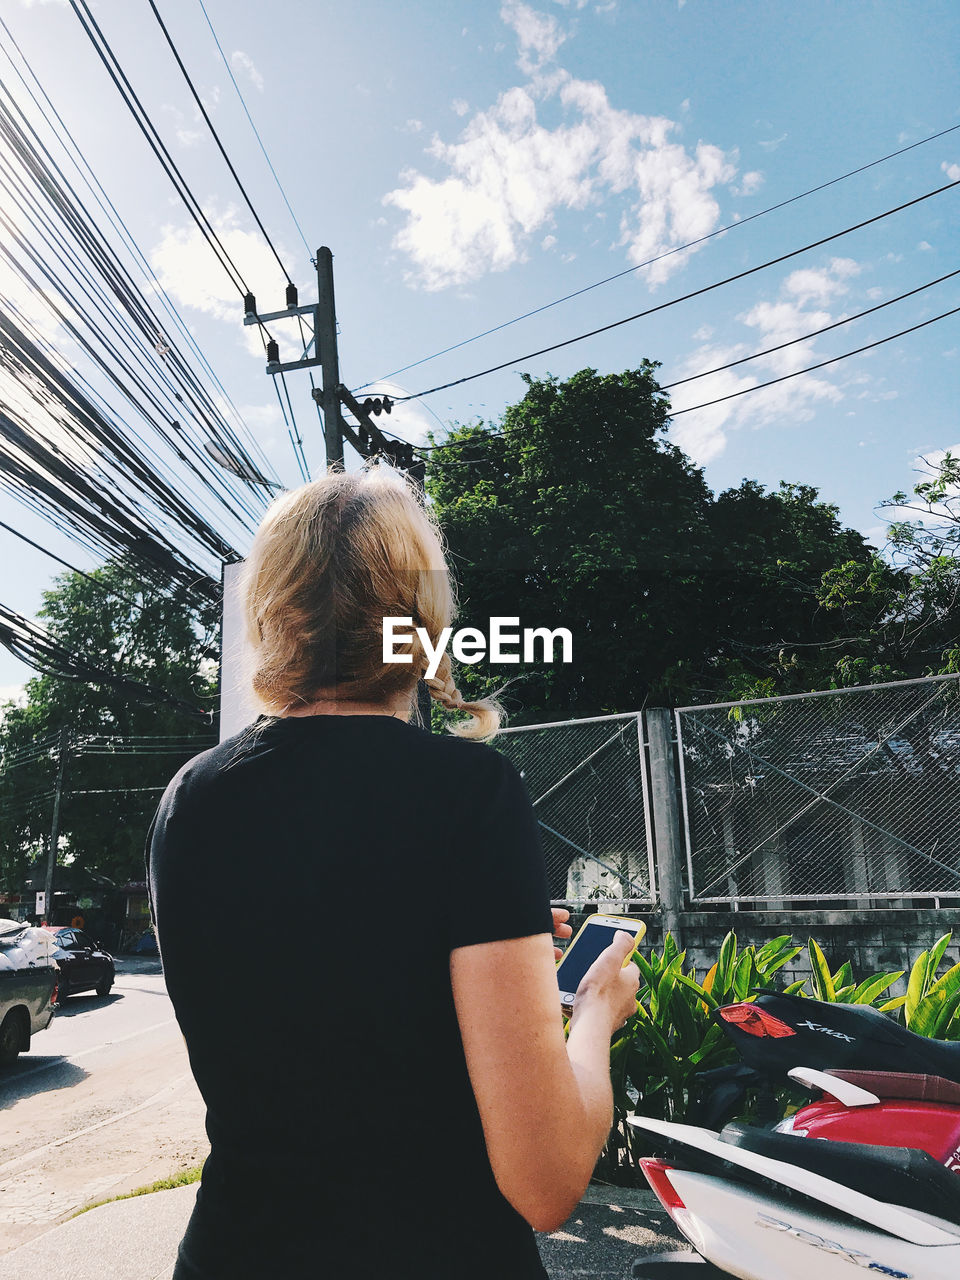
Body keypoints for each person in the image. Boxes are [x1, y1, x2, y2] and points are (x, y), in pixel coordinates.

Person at [147, 465, 640, 1279]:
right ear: (422, 619)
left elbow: (311, 987)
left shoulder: (189, 796)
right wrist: (594, 1012)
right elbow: (546, 1183)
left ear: (274, 611)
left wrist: (481, 955)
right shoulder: (466, 791)